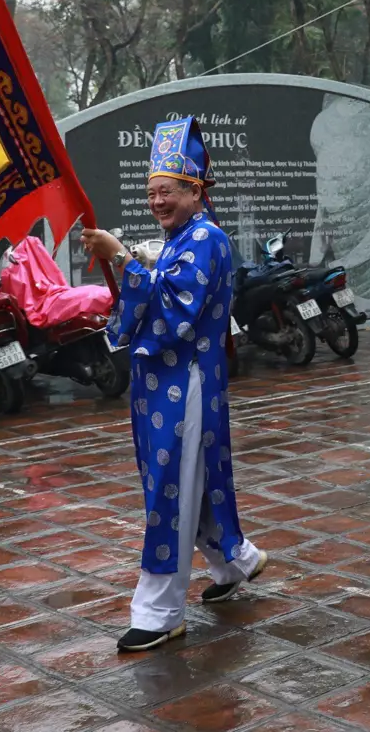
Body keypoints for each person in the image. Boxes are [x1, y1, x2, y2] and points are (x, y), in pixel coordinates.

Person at [80, 119, 266, 652]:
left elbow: (177, 311)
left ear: (195, 191)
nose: (157, 201)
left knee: (171, 491)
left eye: (168, 191)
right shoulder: (177, 240)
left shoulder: (206, 238)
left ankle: (160, 611)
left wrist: (121, 257)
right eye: (151, 193)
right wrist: (130, 259)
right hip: (161, 387)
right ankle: (238, 562)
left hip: (185, 388)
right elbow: (153, 290)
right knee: (191, 485)